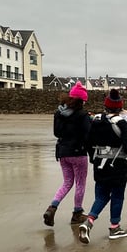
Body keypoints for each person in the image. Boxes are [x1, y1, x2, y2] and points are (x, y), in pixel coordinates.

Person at [78, 88, 127, 244]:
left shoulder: (96, 120)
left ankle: (89, 221)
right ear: (120, 107)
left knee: (101, 196)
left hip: (99, 164)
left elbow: (87, 142)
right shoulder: (121, 122)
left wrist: (94, 159)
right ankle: (114, 227)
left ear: (105, 106)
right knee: (117, 196)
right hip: (117, 165)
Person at [43, 82, 92, 227]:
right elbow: (87, 135)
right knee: (80, 183)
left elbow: (56, 133)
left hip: (63, 152)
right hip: (78, 153)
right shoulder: (82, 115)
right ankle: (77, 213)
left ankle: (52, 207)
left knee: (67, 182)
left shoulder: (59, 113)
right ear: (81, 100)